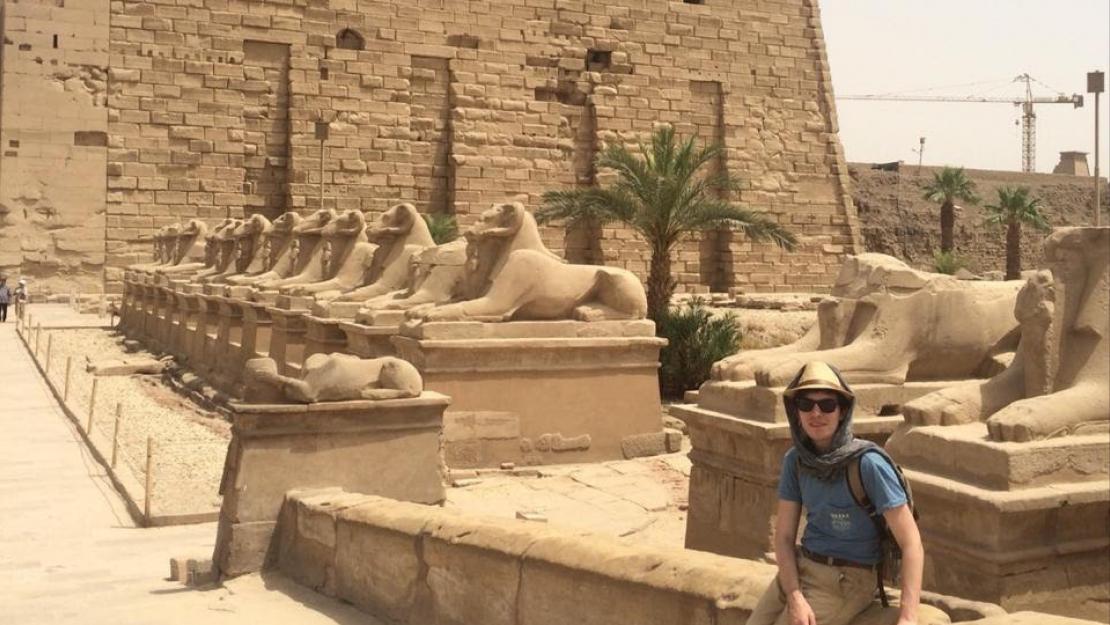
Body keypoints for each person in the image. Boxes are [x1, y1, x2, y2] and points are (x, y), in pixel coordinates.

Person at [746, 361, 924, 625]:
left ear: (842, 411)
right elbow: (783, 537)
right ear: (796, 412)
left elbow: (912, 543)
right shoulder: (796, 461)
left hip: (847, 580)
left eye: (827, 405)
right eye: (806, 404)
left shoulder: (868, 464)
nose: (816, 413)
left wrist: (908, 618)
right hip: (802, 568)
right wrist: (795, 595)